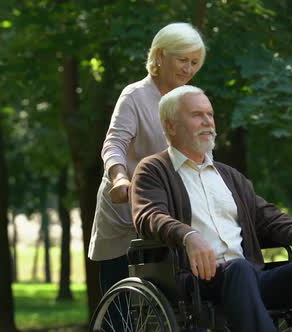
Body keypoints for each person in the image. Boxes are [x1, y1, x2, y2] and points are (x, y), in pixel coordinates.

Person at [130, 85, 292, 332]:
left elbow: (269, 218)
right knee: (239, 268)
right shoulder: (153, 170)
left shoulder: (229, 176)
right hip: (198, 281)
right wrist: (188, 235)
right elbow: (149, 216)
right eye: (197, 115)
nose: (208, 122)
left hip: (249, 277)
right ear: (170, 126)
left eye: (210, 115)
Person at [88, 23, 206, 296]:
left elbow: (201, 152)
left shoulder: (189, 100)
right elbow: (114, 143)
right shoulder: (135, 96)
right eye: (182, 60)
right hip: (125, 207)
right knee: (123, 301)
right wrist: (119, 177)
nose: (188, 69)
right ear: (160, 56)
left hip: (166, 210)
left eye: (194, 62)